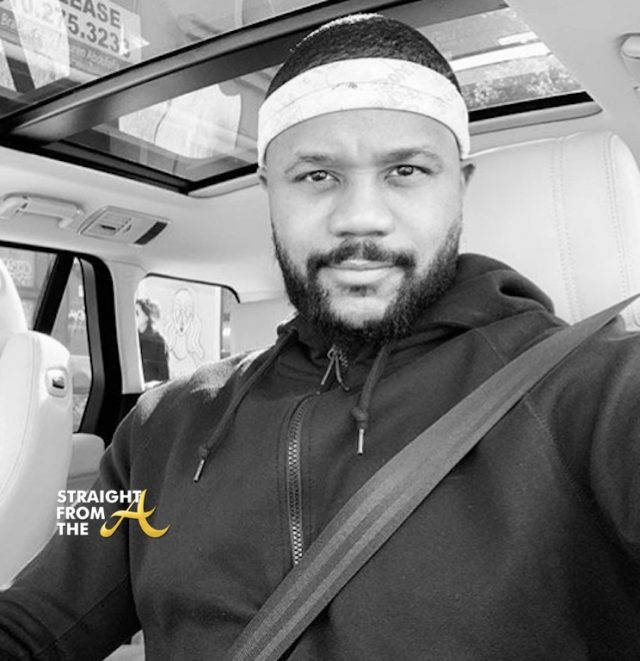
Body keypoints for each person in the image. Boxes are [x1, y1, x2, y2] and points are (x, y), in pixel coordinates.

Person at [1, 13, 639, 660]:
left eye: (406, 170)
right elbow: (34, 623)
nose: (360, 218)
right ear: (269, 193)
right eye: (316, 175)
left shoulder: (592, 389)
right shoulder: (161, 425)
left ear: (460, 188)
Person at [135, 297, 170, 383]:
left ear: (146, 317)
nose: (134, 317)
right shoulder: (133, 338)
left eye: (137, 313)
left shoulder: (158, 341)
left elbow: (164, 376)